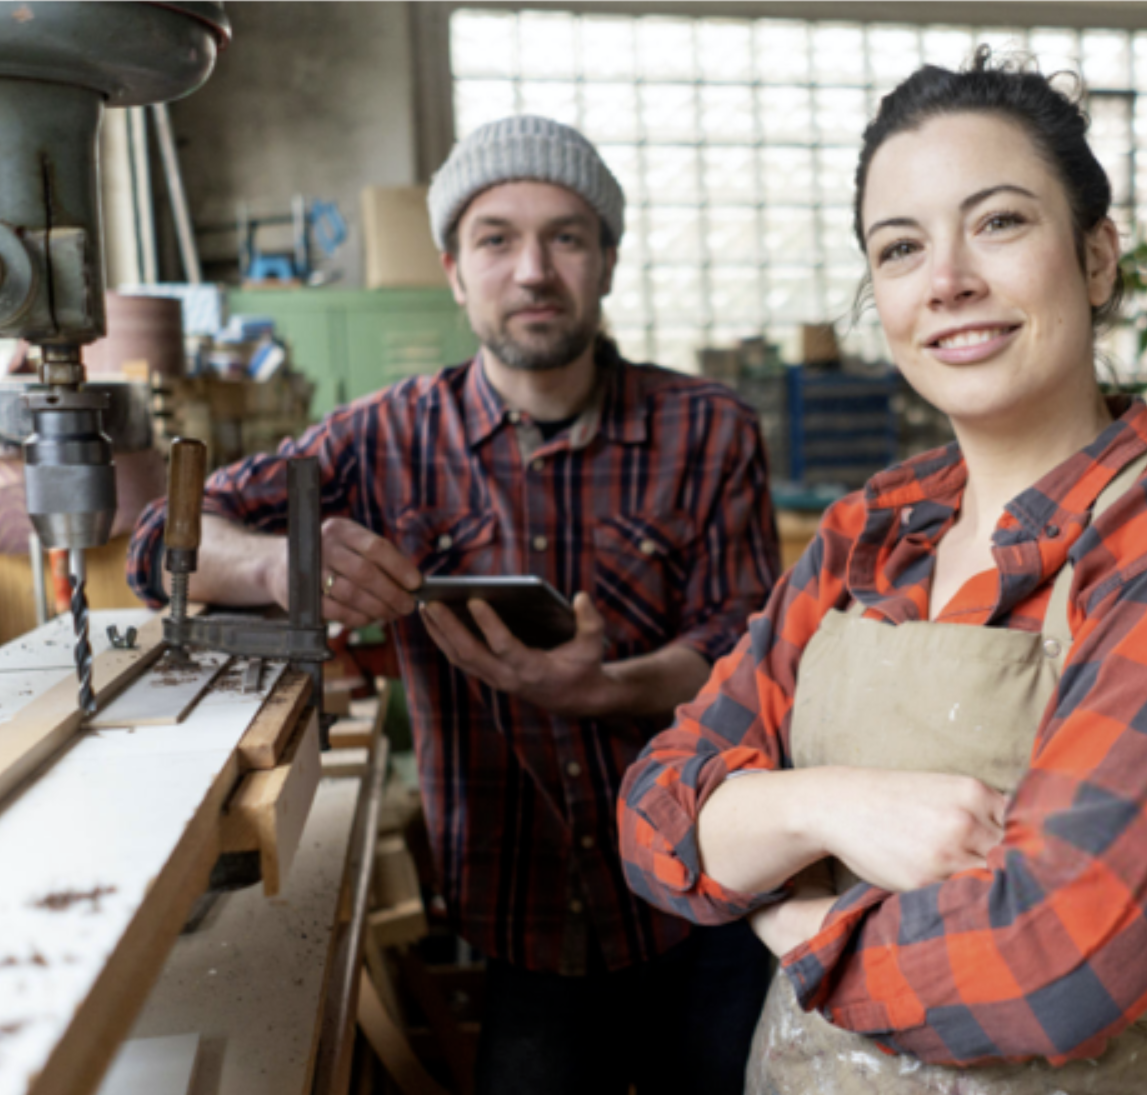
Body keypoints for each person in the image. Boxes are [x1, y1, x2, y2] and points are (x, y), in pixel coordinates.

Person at [618, 52, 1147, 1094]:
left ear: (1094, 258)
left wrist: (793, 916)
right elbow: (656, 812)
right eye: (899, 248)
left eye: (997, 222)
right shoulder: (869, 537)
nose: (946, 281)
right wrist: (828, 807)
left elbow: (1058, 964)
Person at [127, 115, 779, 1095]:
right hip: (522, 912)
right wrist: (274, 566)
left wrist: (602, 690)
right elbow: (162, 545)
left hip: (706, 894)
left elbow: (747, 650)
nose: (532, 271)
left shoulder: (707, 428)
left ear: (606, 260)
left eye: (566, 236)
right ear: (451, 268)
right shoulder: (380, 438)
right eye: (495, 238)